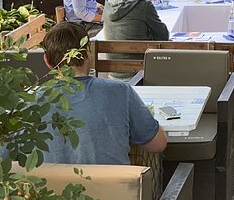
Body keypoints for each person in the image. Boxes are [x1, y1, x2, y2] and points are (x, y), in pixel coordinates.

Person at [37, 22, 167, 164]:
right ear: (88, 53)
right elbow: (158, 144)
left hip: (48, 179)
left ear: (47, 60)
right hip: (114, 179)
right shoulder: (120, 91)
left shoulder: (30, 102)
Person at [102, 0, 169, 46]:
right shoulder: (144, 5)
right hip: (140, 52)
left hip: (110, 52)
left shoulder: (109, 3)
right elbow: (163, 35)